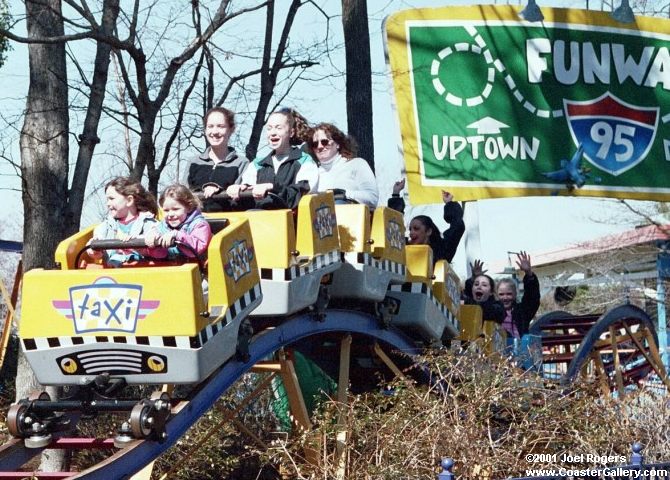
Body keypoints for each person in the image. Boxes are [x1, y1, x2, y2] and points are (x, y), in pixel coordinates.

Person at [227, 108, 318, 209]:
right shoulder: (257, 164)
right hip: (258, 218)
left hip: (291, 221)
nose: (273, 133)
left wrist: (272, 187)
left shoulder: (305, 162)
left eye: (278, 128)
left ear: (291, 132)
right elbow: (247, 192)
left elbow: (301, 193)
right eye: (269, 128)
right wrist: (238, 190)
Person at [87, 177, 166, 267]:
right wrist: (94, 249)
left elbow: (158, 239)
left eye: (111, 199)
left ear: (129, 200)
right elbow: (98, 237)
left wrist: (151, 239)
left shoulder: (148, 223)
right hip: (113, 275)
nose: (108, 204)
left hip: (141, 273)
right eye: (107, 200)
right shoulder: (107, 226)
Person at [183, 107, 248, 212]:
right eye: (210, 126)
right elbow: (183, 196)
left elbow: (242, 199)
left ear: (231, 129)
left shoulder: (241, 163)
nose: (215, 131)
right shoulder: (193, 162)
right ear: (205, 130)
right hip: (195, 222)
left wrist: (219, 191)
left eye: (220, 126)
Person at [389, 179, 464, 264]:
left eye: (416, 228)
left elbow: (458, 226)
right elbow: (393, 226)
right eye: (410, 229)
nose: (411, 232)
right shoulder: (403, 247)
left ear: (428, 231)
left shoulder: (442, 250)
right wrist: (395, 193)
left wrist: (449, 203)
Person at [310, 122, 378, 207]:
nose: (319, 146)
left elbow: (372, 198)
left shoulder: (357, 164)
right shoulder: (311, 173)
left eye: (324, 142)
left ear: (337, 144)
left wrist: (343, 194)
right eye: (315, 144)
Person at [145, 184, 213, 260]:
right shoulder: (162, 227)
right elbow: (159, 255)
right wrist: (153, 241)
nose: (170, 214)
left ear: (189, 208)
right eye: (166, 210)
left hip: (199, 267)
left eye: (175, 209)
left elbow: (198, 248)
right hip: (172, 268)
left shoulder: (199, 225)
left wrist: (177, 235)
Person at [496, 251, 541, 342]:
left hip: (518, 351)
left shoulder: (522, 312)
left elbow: (532, 298)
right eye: (501, 294)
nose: (505, 298)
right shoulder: (492, 312)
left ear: (515, 294)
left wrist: (529, 274)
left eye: (509, 294)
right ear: (496, 295)